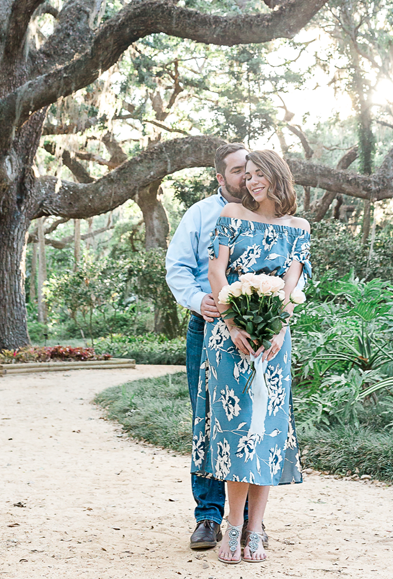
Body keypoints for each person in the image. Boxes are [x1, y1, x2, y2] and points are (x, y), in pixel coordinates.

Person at [192, 148, 311, 564]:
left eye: (261, 174)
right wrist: (231, 324)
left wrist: (278, 327)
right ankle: (234, 525)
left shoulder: (299, 227)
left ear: (279, 176)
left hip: (275, 339)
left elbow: (292, 284)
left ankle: (256, 529)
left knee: (267, 430)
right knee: (236, 428)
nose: (253, 181)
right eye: (249, 175)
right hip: (229, 336)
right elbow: (216, 272)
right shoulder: (230, 215)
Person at [165, 142, 249, 551]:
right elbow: (178, 267)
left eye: (250, 170)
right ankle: (208, 517)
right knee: (208, 420)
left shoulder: (268, 214)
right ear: (220, 177)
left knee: (250, 422)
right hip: (208, 326)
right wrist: (201, 301)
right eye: (237, 171)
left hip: (256, 334)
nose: (246, 178)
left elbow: (292, 268)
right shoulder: (200, 214)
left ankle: (247, 519)